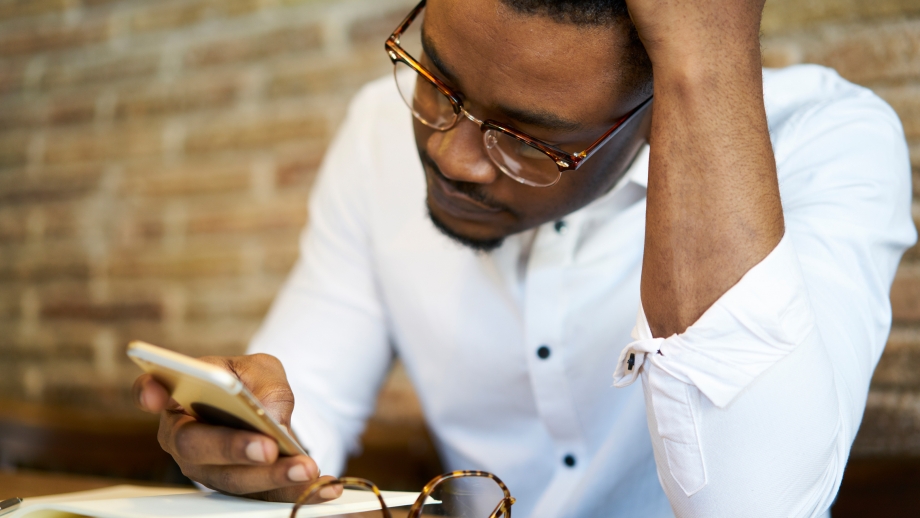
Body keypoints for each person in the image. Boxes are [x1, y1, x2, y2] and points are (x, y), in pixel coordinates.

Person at [133, 0, 917, 515]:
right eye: (437, 79)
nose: (454, 156)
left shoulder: (826, 142)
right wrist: (243, 453)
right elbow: (308, 414)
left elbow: (756, 505)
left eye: (529, 139)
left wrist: (705, 63)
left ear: (653, 106)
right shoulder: (374, 130)